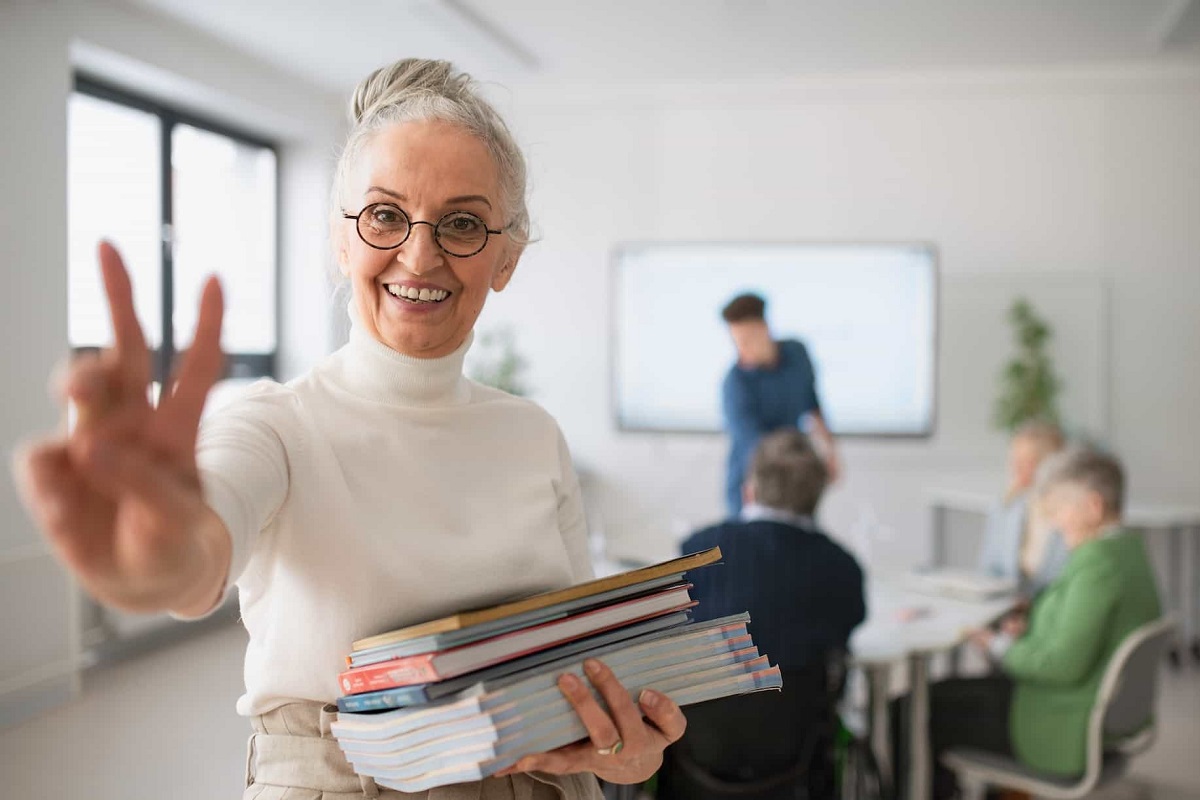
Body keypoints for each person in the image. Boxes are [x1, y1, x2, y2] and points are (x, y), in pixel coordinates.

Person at [13, 59, 687, 800]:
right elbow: (196, 555)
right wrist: (149, 554)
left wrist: (627, 754)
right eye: (385, 215)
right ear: (341, 240)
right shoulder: (275, 426)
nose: (420, 254)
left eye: (462, 222)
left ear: (506, 258)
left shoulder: (534, 436)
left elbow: (583, 685)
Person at [892, 446, 1162, 798]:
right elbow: (1082, 631)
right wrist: (1031, 628)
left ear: (1093, 507)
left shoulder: (1097, 565)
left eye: (1059, 511)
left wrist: (998, 646)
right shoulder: (1128, 550)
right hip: (1079, 705)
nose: (1053, 523)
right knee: (940, 694)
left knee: (910, 710)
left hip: (1056, 722)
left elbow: (1061, 665)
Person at [670, 429, 865, 799]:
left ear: (750, 488)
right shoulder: (842, 569)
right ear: (816, 496)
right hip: (796, 759)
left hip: (695, 752)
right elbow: (846, 630)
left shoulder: (696, 551)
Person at [720, 293, 839, 518]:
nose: (742, 350)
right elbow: (754, 444)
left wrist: (830, 452)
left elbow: (812, 405)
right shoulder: (735, 384)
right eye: (736, 342)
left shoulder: (797, 354)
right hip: (753, 481)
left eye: (746, 340)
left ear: (764, 328)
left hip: (795, 478)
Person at [977, 419, 1070, 597]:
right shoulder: (1005, 506)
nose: (1016, 468)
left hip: (1052, 611)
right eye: (1014, 459)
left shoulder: (1070, 511)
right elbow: (987, 570)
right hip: (1008, 608)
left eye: (1028, 461)